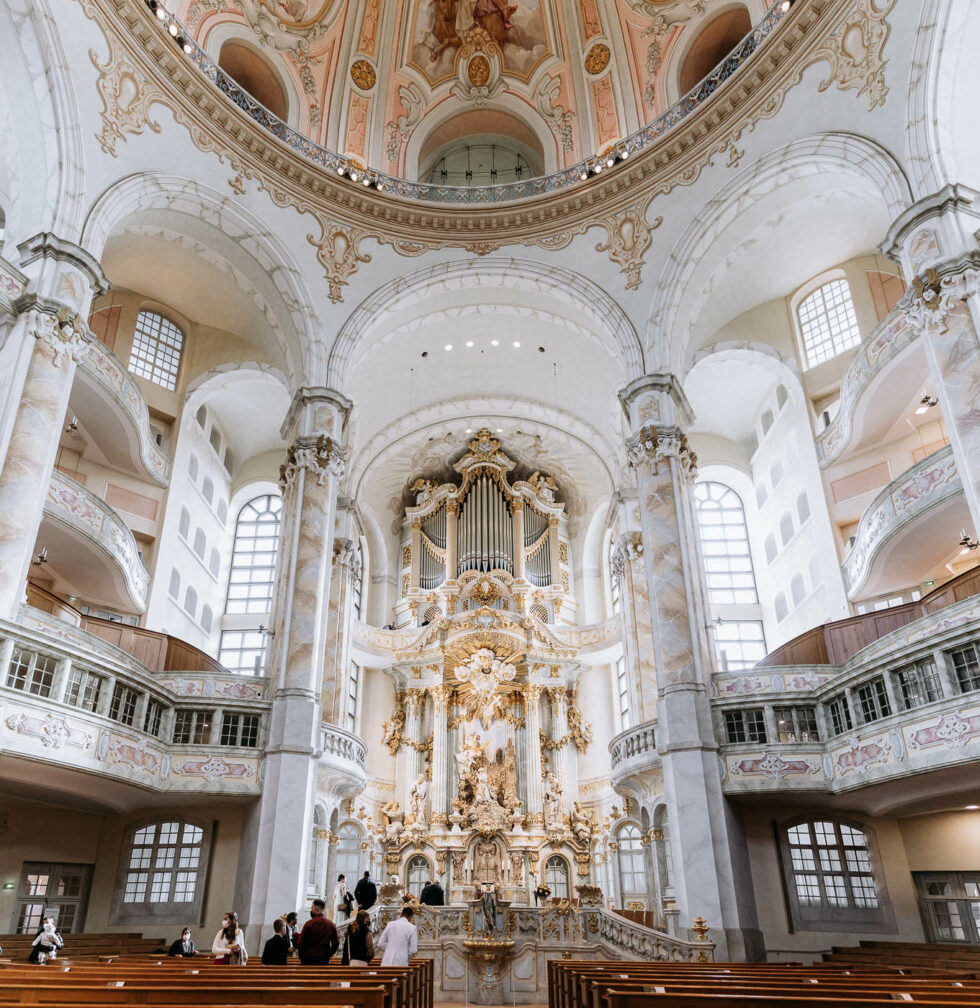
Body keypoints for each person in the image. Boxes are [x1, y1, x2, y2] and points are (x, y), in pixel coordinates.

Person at [297, 898, 339, 965]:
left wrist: (302, 957)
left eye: (312, 908)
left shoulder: (308, 924)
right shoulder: (331, 925)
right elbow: (336, 944)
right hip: (323, 961)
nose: (311, 910)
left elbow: (301, 943)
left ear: (316, 909)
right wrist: (328, 955)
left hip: (308, 961)